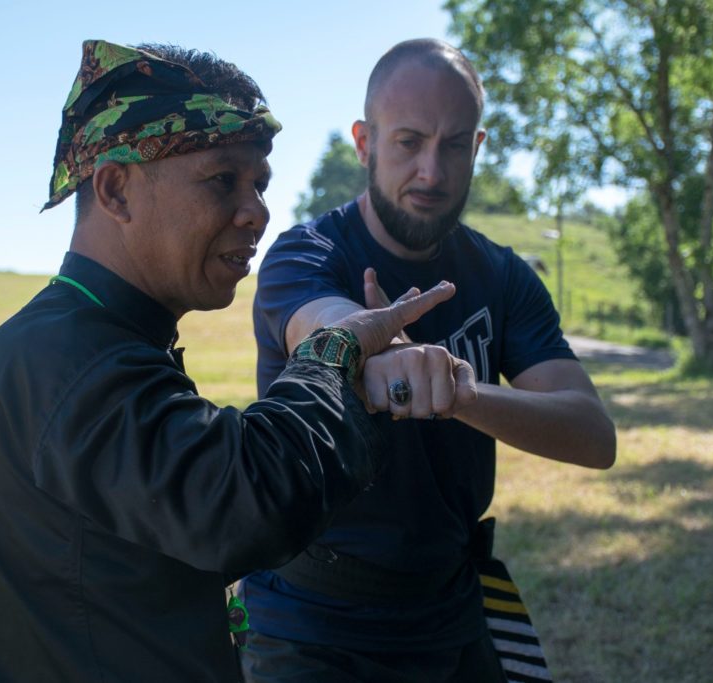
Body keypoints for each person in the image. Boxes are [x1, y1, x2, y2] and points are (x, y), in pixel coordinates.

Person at [0, 40, 470, 683]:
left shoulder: (92, 339)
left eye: (261, 184)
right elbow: (245, 501)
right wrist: (337, 354)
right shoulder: (66, 357)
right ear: (115, 190)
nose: (259, 213)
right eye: (223, 180)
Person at [240, 38, 617, 682]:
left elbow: (592, 434)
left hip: (451, 608)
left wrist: (461, 391)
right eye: (408, 142)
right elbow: (319, 324)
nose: (432, 173)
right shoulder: (305, 255)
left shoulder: (503, 277)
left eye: (452, 145)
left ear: (477, 148)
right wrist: (365, 343)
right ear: (364, 142)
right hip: (310, 622)